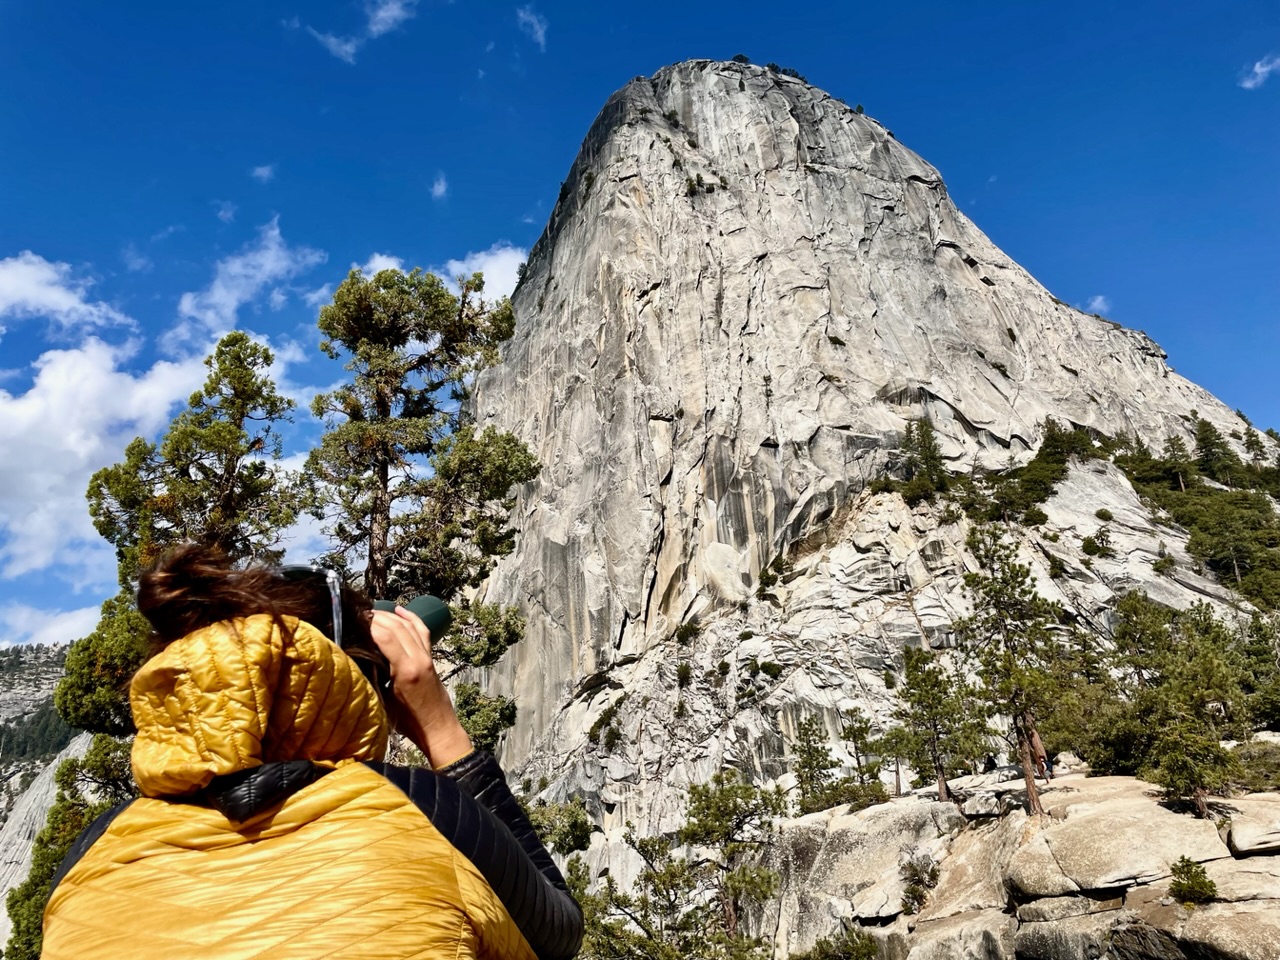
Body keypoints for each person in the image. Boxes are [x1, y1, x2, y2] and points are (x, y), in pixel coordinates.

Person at [41, 544, 583, 960]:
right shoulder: (421, 809)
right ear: (353, 678)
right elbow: (557, 934)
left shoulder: (98, 846)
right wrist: (440, 727)